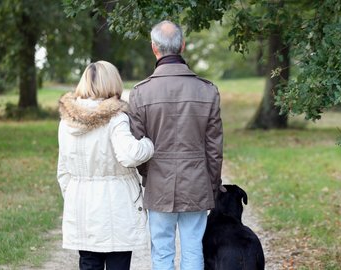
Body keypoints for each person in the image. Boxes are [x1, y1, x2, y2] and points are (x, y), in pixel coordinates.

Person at [128, 20, 224, 270]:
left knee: (162, 253)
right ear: (182, 45)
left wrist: (150, 175)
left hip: (159, 183)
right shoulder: (208, 91)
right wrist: (212, 184)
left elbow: (138, 148)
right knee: (193, 250)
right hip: (196, 183)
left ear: (154, 48)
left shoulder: (140, 93)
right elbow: (214, 149)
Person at [57, 60, 154, 270]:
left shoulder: (66, 122)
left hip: (81, 201)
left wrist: (75, 195)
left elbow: (63, 171)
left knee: (89, 262)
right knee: (118, 261)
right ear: (113, 82)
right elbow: (130, 155)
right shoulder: (116, 118)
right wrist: (148, 143)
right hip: (117, 202)